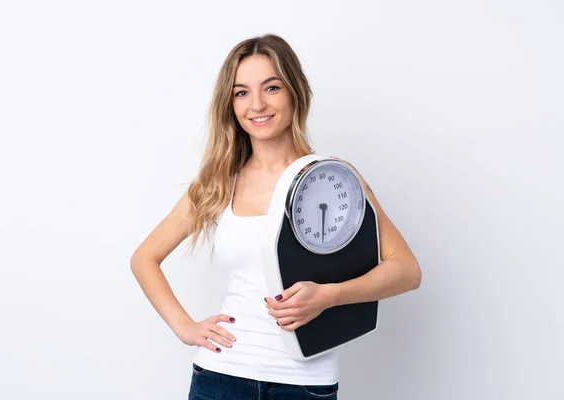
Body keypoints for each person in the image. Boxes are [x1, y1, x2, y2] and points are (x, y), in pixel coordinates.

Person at [130, 34, 422, 400]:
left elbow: (406, 270)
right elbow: (144, 258)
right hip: (220, 376)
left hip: (305, 383)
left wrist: (330, 296)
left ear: (294, 92)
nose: (257, 104)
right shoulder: (219, 184)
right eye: (241, 93)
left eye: (271, 87)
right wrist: (185, 327)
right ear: (230, 104)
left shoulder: (333, 178)